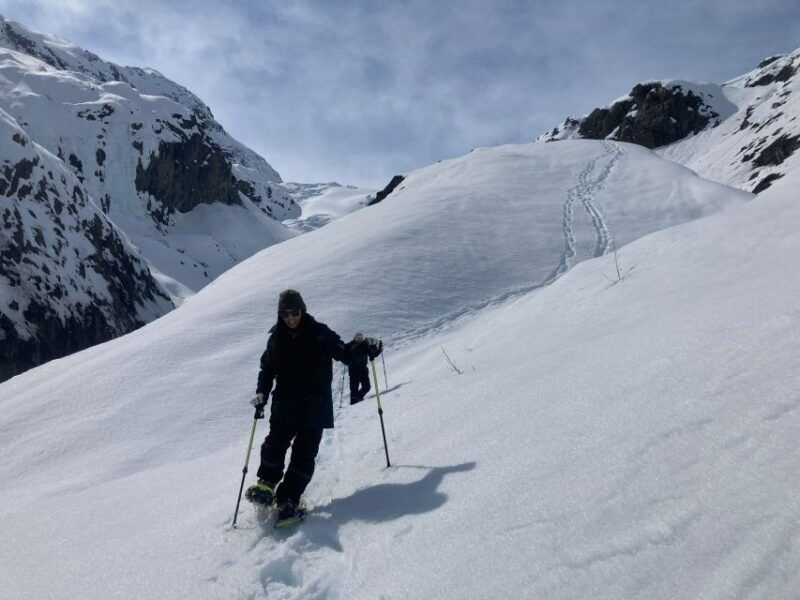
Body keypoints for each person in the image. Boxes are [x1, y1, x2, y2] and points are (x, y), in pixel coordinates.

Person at [245, 289, 350, 527]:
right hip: (285, 404)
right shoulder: (276, 339)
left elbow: (343, 352)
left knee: (304, 455)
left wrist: (363, 349)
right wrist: (262, 392)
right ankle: (266, 484)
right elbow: (267, 369)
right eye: (285, 314)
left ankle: (288, 499)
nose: (291, 318)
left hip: (315, 407)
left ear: (303, 309)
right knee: (275, 443)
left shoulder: (320, 333)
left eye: (295, 312)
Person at [345, 332, 383, 405]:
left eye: (360, 338)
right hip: (353, 371)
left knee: (367, 387)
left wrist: (380, 349)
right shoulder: (350, 345)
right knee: (354, 390)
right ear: (354, 338)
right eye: (357, 338)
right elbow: (345, 354)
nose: (359, 339)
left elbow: (372, 354)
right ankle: (353, 405)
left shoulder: (365, 345)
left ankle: (359, 398)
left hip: (363, 370)